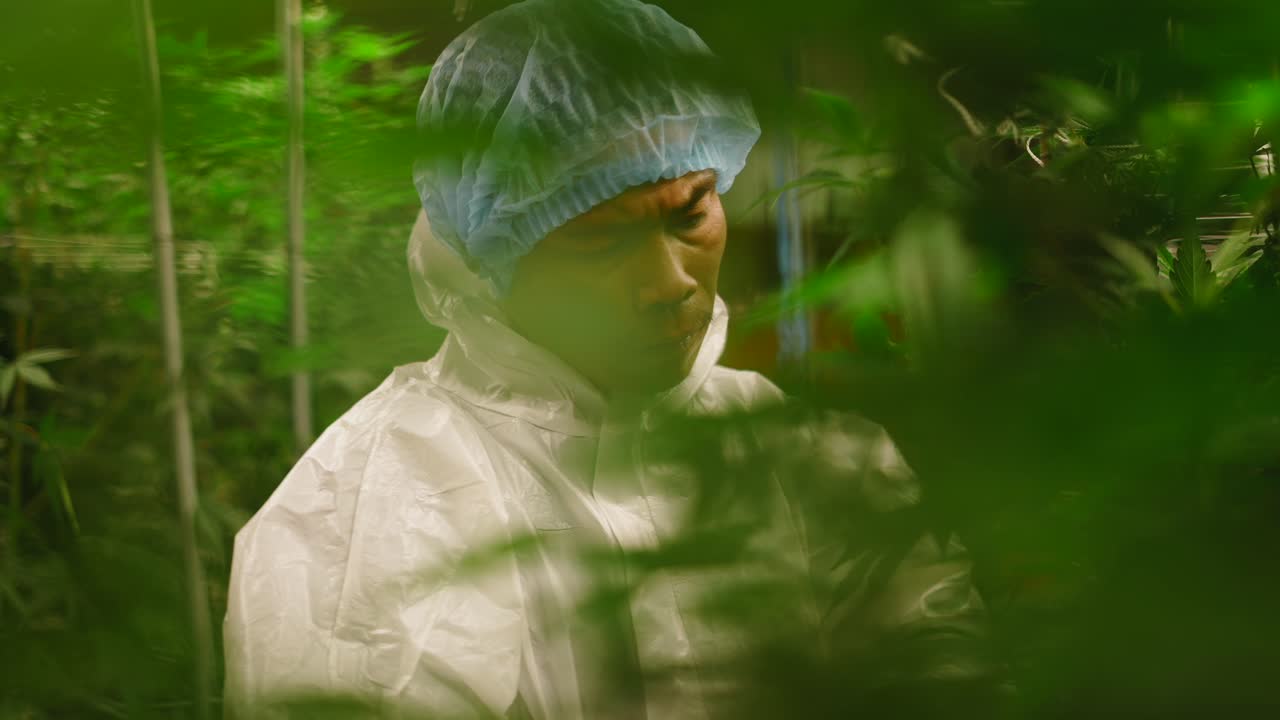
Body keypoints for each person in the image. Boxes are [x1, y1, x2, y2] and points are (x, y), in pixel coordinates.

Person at [223, 1, 987, 718]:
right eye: (597, 238)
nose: (669, 282)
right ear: (496, 255)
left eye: (691, 214)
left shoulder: (794, 451)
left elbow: (939, 667)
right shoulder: (384, 502)